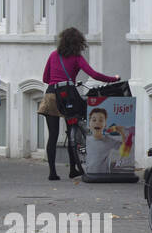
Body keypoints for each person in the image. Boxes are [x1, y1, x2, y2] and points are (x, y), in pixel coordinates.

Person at [42, 27, 119, 180]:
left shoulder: (53, 55)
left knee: (53, 135)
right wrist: (113, 78)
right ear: (79, 42)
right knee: (73, 128)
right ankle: (73, 168)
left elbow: (45, 78)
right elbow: (94, 74)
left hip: (51, 95)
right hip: (68, 96)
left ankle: (52, 172)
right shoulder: (77, 57)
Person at [83, 106, 124, 176]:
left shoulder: (109, 140)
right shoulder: (86, 140)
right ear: (89, 124)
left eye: (101, 120)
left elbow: (125, 148)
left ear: (105, 125)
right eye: (94, 120)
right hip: (90, 175)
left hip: (104, 176)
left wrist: (122, 132)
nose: (97, 123)